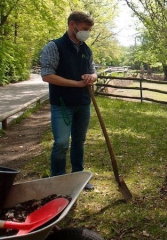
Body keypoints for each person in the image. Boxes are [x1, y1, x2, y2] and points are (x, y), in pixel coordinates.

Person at [40, 11, 97, 190]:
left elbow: (94, 71)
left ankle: (78, 176)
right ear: (73, 25)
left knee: (79, 141)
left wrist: (91, 77)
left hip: (83, 103)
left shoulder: (87, 50)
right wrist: (77, 84)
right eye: (85, 29)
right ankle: (57, 181)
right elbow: (47, 75)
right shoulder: (54, 46)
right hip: (62, 104)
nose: (87, 33)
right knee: (62, 143)